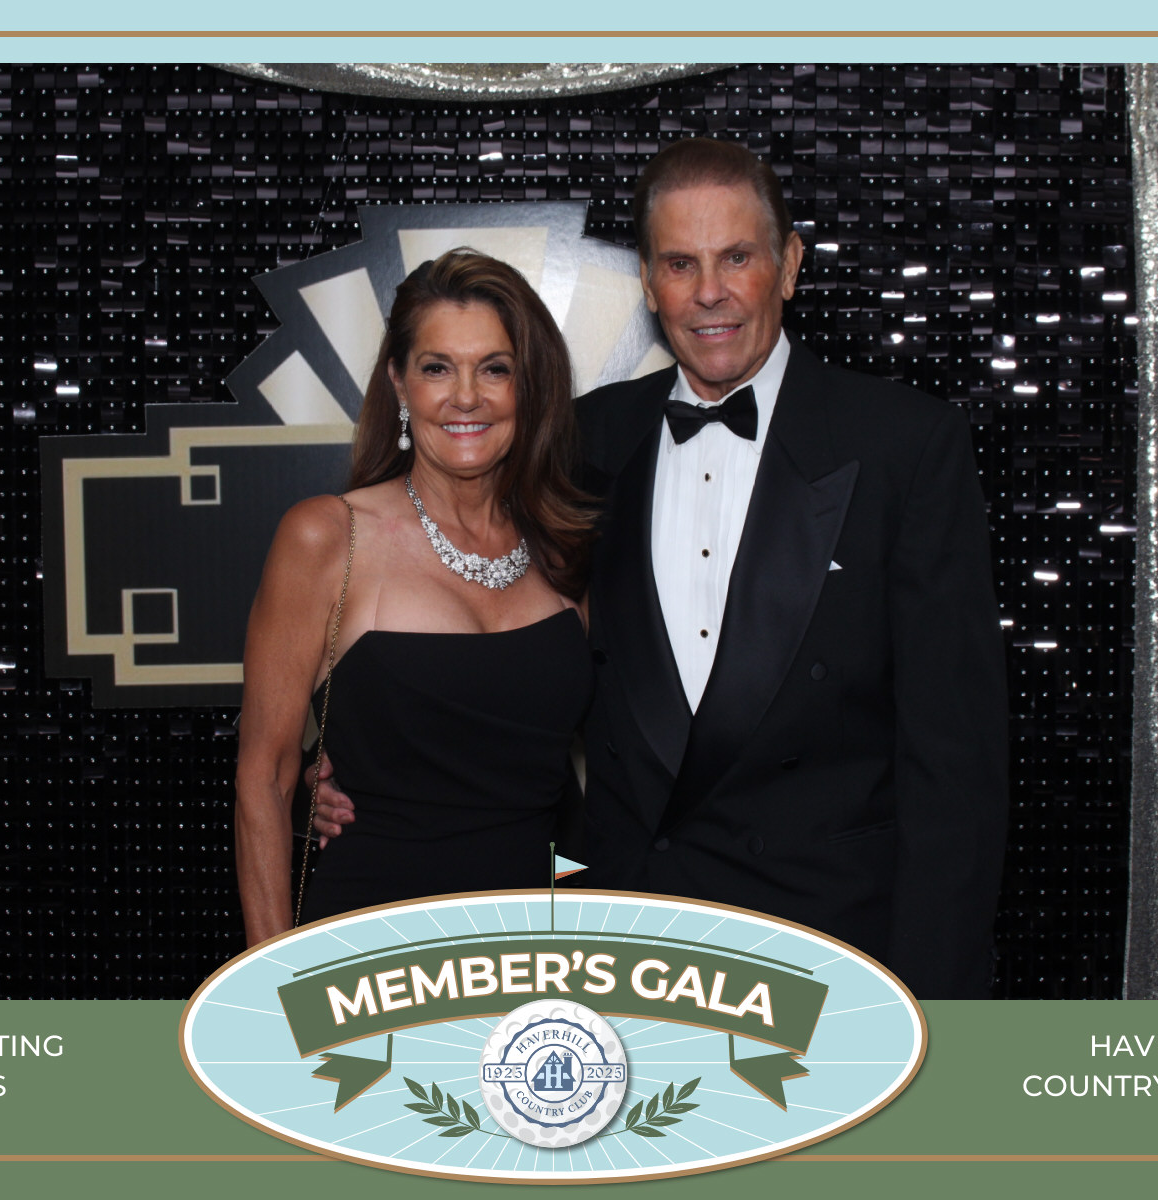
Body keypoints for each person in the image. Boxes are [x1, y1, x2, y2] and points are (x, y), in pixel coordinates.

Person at [315, 139, 1009, 999]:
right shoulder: (580, 444)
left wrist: (938, 1007)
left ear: (790, 265)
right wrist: (354, 771)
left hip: (830, 950)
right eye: (680, 264)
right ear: (648, 283)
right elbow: (475, 640)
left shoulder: (904, 447)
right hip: (631, 950)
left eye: (737, 258)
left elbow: (956, 766)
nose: (709, 291)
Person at [234, 249, 595, 948]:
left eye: (495, 368)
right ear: (399, 382)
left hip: (542, 951)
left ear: (529, 386)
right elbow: (264, 779)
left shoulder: (565, 547)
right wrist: (269, 984)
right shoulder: (328, 538)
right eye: (437, 368)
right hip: (374, 958)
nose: (466, 396)